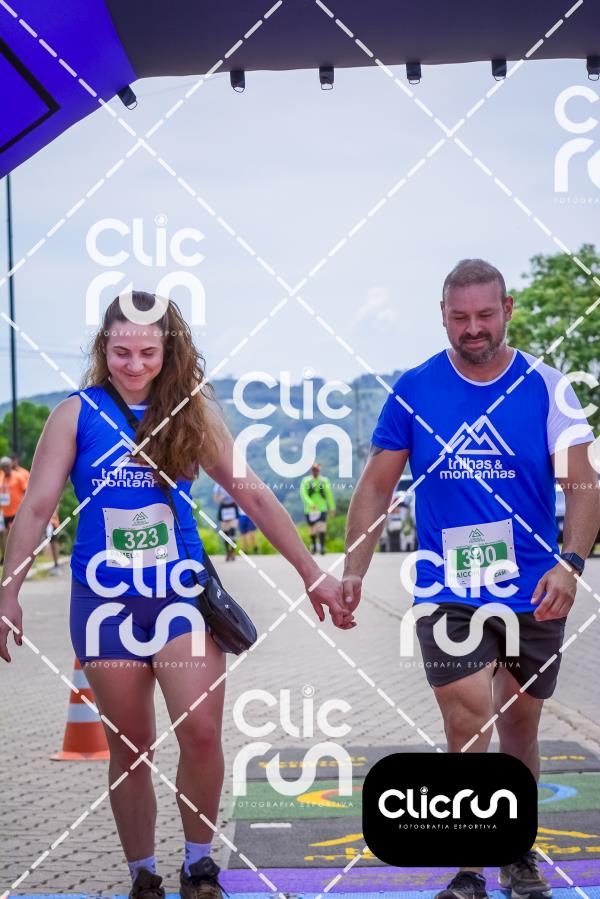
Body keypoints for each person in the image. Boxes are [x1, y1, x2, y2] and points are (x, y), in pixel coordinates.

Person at [0, 292, 355, 899]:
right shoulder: (74, 415)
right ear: (103, 347)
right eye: (121, 352)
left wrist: (310, 572)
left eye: (147, 352)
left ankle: (199, 864)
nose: (134, 364)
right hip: (105, 605)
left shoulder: (191, 416)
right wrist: (9, 593)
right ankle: (143, 874)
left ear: (168, 350)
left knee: (202, 733)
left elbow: (253, 494)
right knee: (131, 747)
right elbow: (36, 509)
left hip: (180, 598)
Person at [343, 259, 600, 899]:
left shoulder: (547, 388)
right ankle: (468, 867)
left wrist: (571, 564)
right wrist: (352, 570)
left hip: (534, 587)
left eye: (485, 315)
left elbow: (583, 484)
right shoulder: (415, 389)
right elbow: (376, 486)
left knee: (519, 726)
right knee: (467, 719)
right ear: (442, 316)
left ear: (507, 310)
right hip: (448, 590)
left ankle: (516, 853)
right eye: (460, 317)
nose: (473, 328)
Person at [300, 462, 336, 555]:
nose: (315, 471)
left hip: (322, 508)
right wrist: (310, 503)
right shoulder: (306, 481)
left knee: (322, 527)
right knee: (312, 529)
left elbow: (329, 494)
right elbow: (303, 494)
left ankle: (322, 547)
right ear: (311, 471)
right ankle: (314, 546)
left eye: (317, 470)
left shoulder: (324, 481)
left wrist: (332, 507)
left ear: (319, 470)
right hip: (309, 509)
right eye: (314, 470)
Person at [216, 493, 239, 561]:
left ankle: (232, 552)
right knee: (225, 533)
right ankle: (228, 552)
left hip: (233, 506)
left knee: (233, 531)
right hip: (223, 507)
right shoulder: (218, 488)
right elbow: (216, 499)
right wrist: (222, 497)